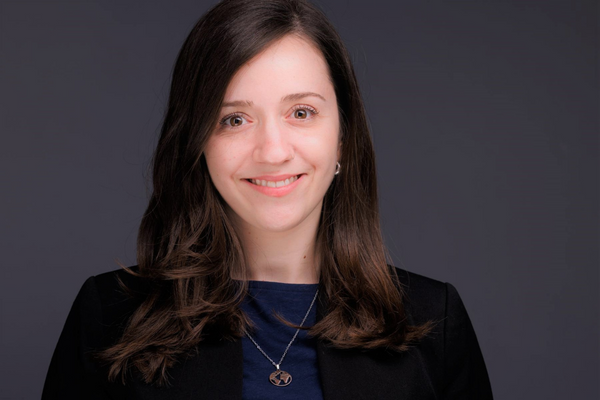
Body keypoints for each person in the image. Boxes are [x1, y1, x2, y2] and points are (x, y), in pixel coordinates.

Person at [42, 0, 493, 398]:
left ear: (342, 137)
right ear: (197, 142)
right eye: (234, 119)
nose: (274, 151)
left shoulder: (434, 320)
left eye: (301, 112)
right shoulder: (109, 316)